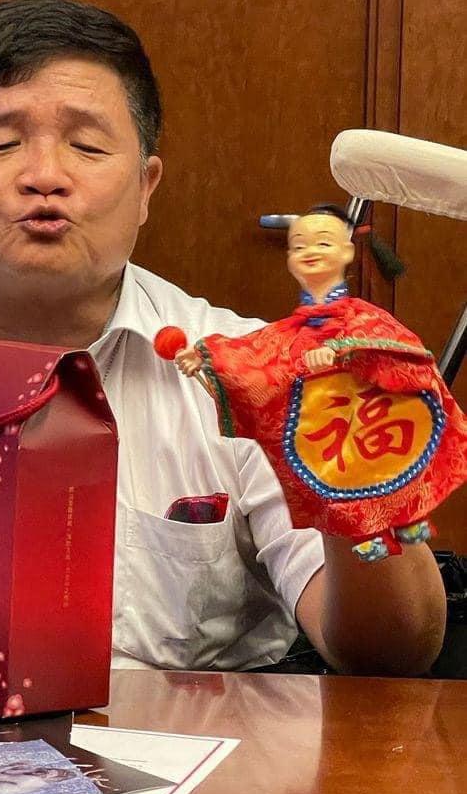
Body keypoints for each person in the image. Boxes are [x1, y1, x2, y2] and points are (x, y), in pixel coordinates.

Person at [0, 0, 447, 676]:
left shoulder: (253, 377)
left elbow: (390, 655)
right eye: (0, 143)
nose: (45, 176)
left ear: (145, 186)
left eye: (85, 145)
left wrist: (362, 489)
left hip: (205, 764)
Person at [172, 206, 467, 562]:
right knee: (340, 478)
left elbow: (395, 345)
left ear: (347, 251)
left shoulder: (360, 316)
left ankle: (406, 517)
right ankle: (366, 532)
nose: (310, 252)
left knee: (386, 461)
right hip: (326, 419)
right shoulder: (292, 330)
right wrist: (206, 358)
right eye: (299, 246)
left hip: (371, 409)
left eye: (323, 243)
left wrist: (341, 353)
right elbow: (259, 350)